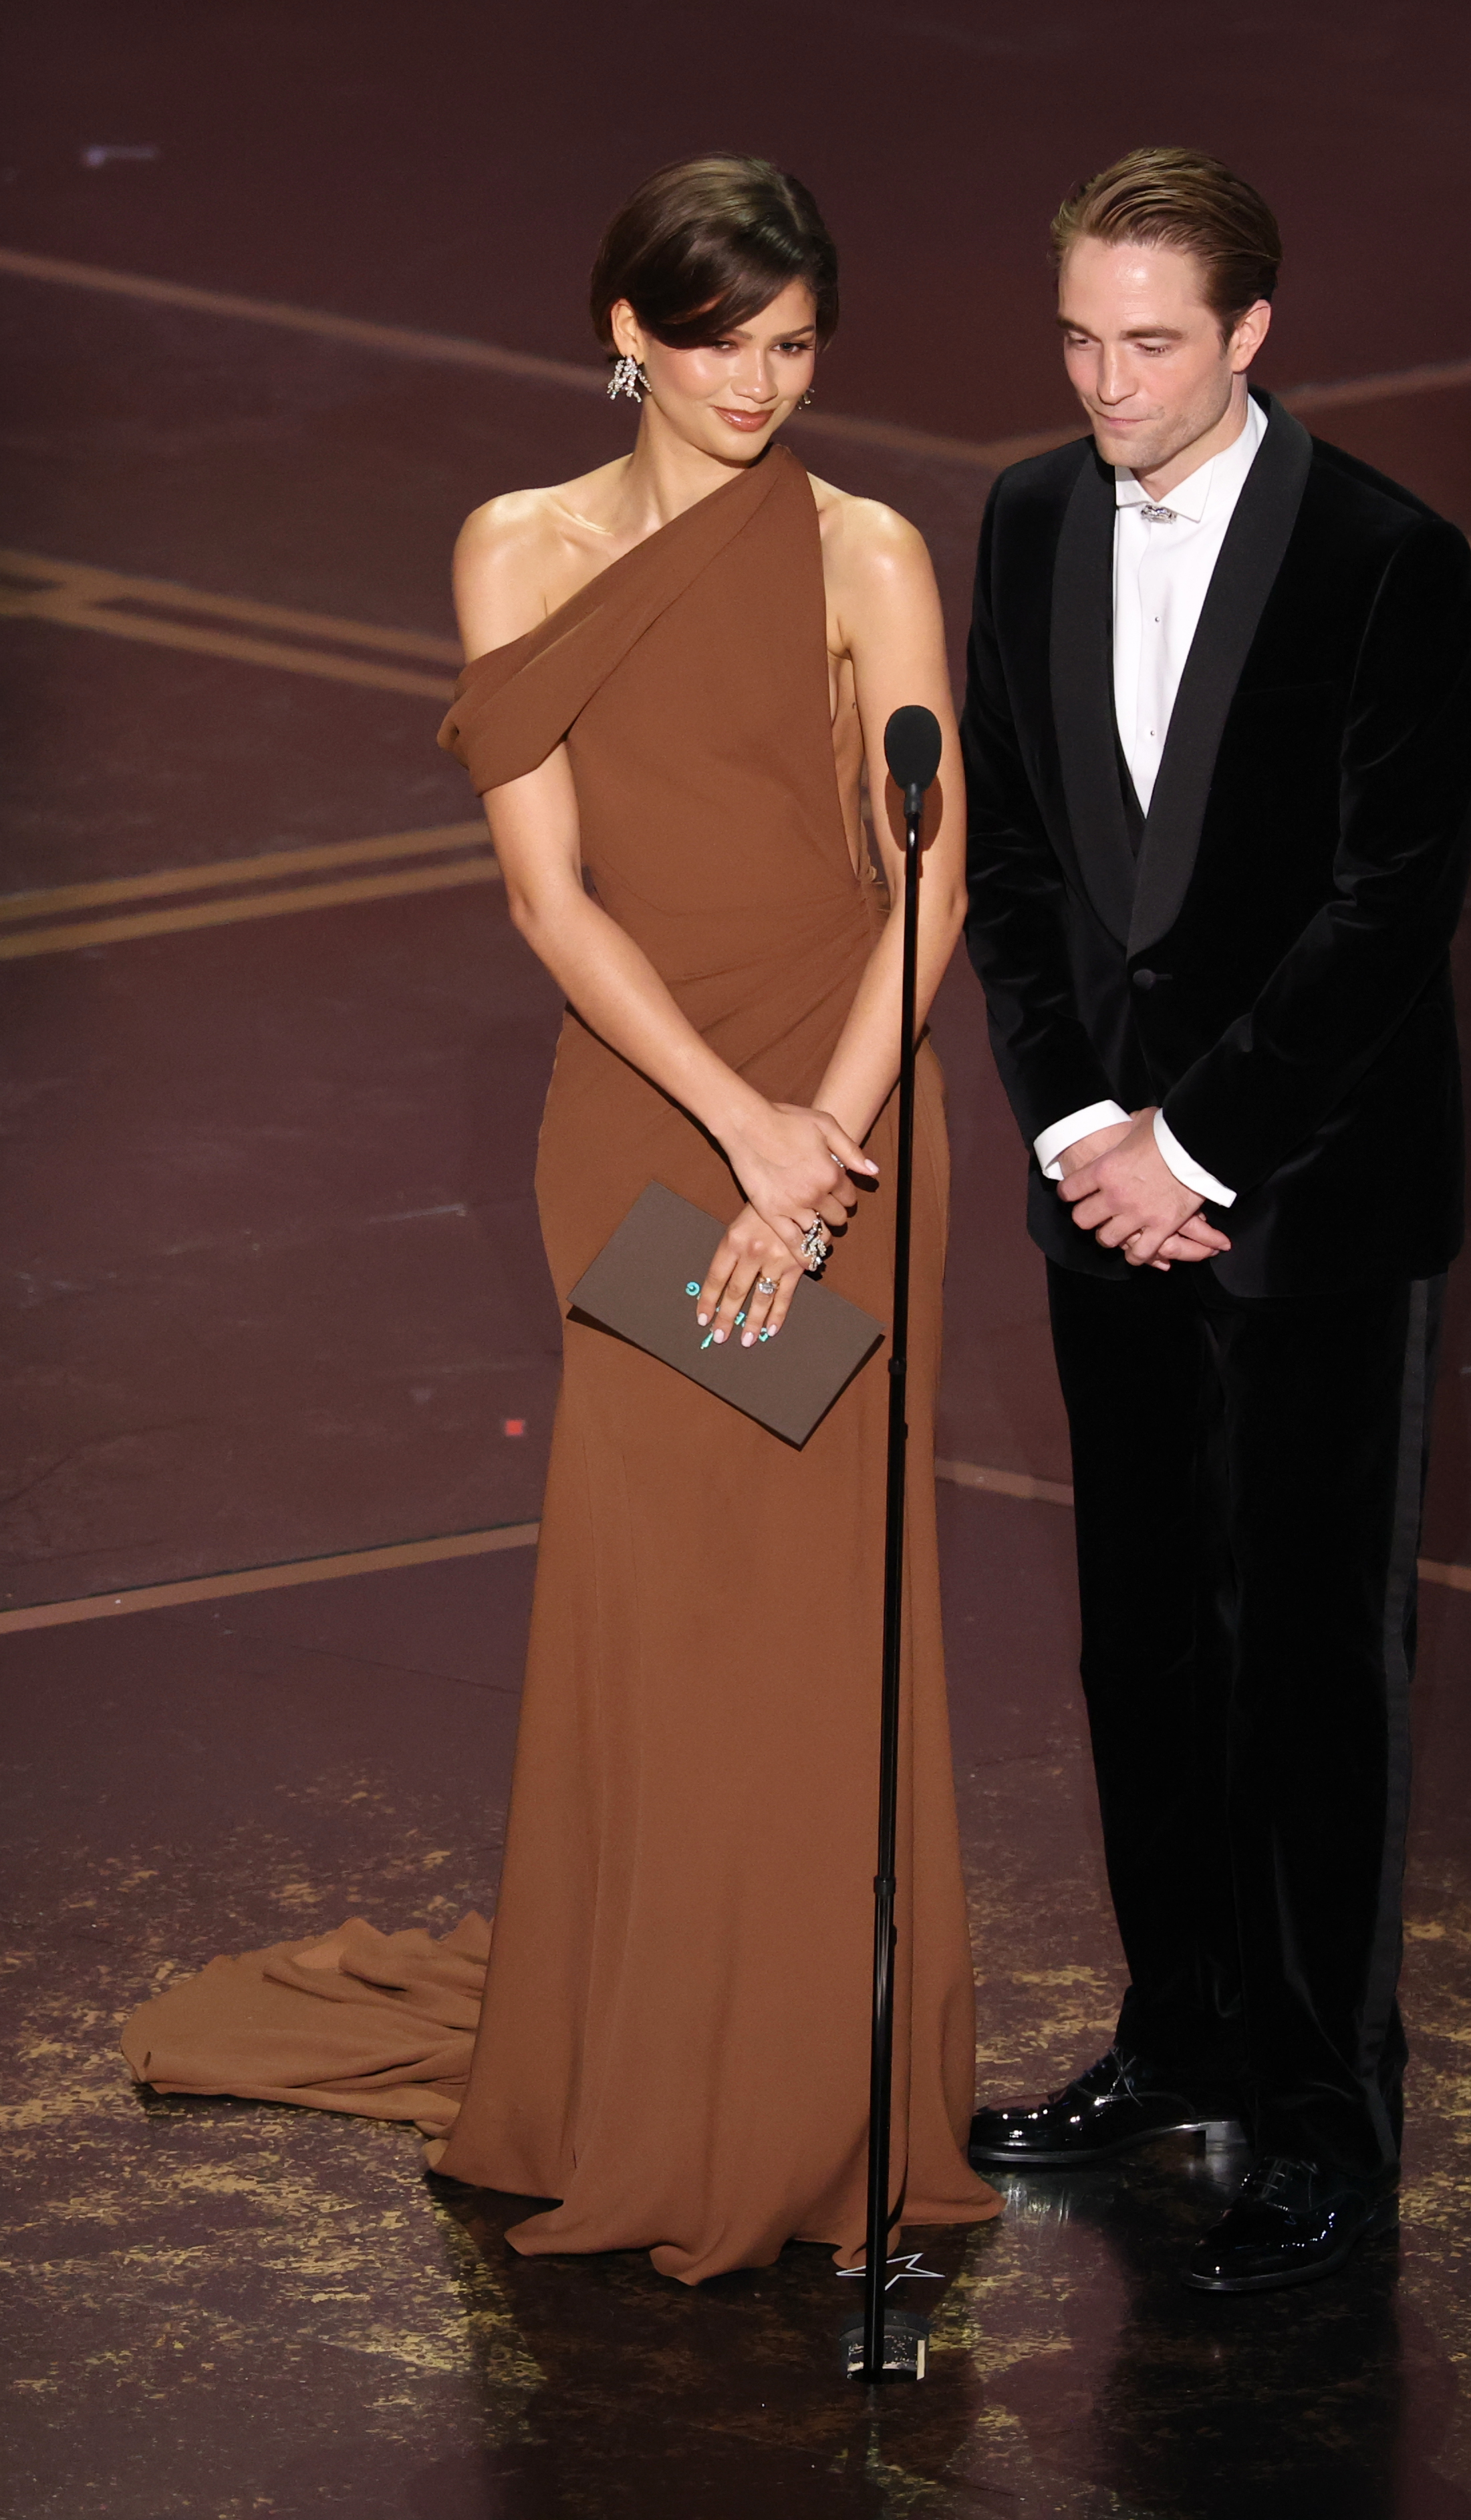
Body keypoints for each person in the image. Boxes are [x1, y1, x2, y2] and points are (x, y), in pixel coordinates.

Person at [121, 153, 998, 2283]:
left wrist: (820, 1143)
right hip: (644, 1119)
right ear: (625, 330)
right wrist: (739, 1136)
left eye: (793, 348)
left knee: (816, 1615)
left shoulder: (869, 547)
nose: (755, 386)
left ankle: (812, 2089)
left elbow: (936, 875)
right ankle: (637, 2064)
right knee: (661, 1597)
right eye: (717, 344)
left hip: (859, 1118)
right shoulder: (514, 545)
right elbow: (548, 891)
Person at [961, 146, 1471, 2292]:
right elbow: (1009, 867)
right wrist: (1089, 1123)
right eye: (1078, 336)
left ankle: (1317, 2114)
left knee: (1311, 1674)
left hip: (1307, 1204)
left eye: (1149, 341)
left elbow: (1387, 909)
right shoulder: (1016, 515)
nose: (1105, 380)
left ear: (1250, 333)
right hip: (1104, 1186)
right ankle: (1177, 2034)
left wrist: (1194, 1147)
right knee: (1144, 1639)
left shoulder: (1384, 556)